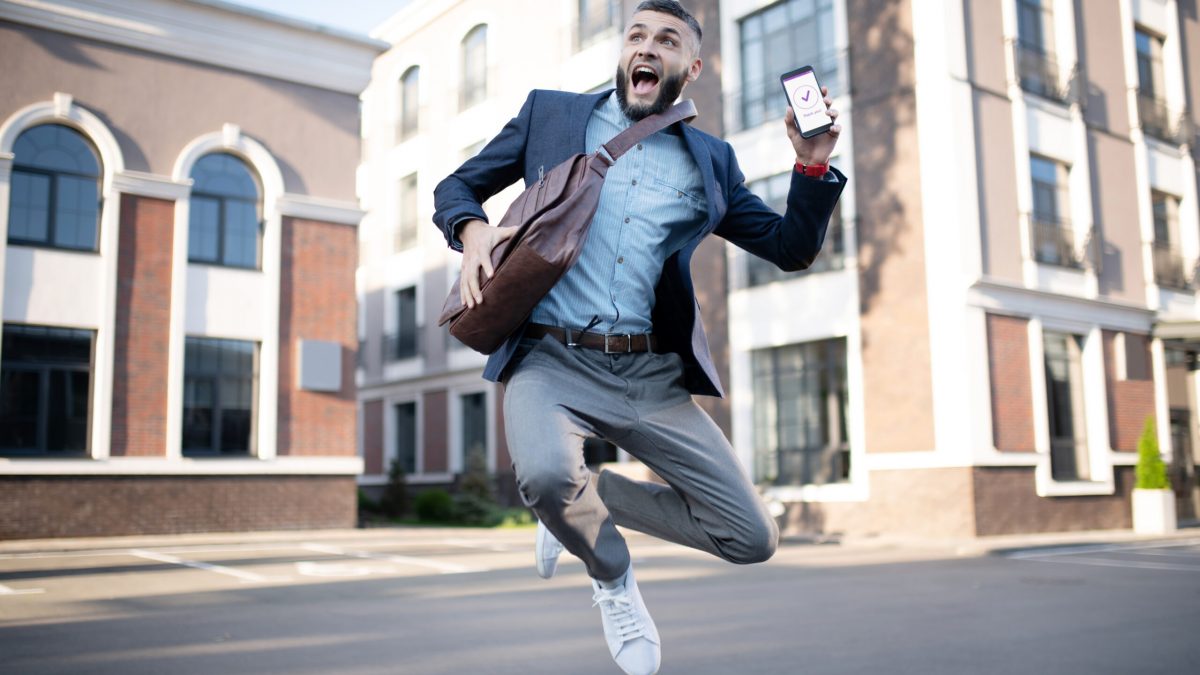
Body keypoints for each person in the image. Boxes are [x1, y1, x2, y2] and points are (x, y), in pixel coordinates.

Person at [432, 2, 844, 672]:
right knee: (541, 471)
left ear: (693, 67)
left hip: (650, 377)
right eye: (637, 35)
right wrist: (470, 229)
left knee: (750, 536)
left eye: (667, 40)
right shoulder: (552, 115)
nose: (648, 48)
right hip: (550, 358)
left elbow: (791, 247)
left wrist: (812, 167)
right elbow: (459, 186)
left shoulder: (711, 160)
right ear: (623, 54)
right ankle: (611, 575)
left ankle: (578, 499)